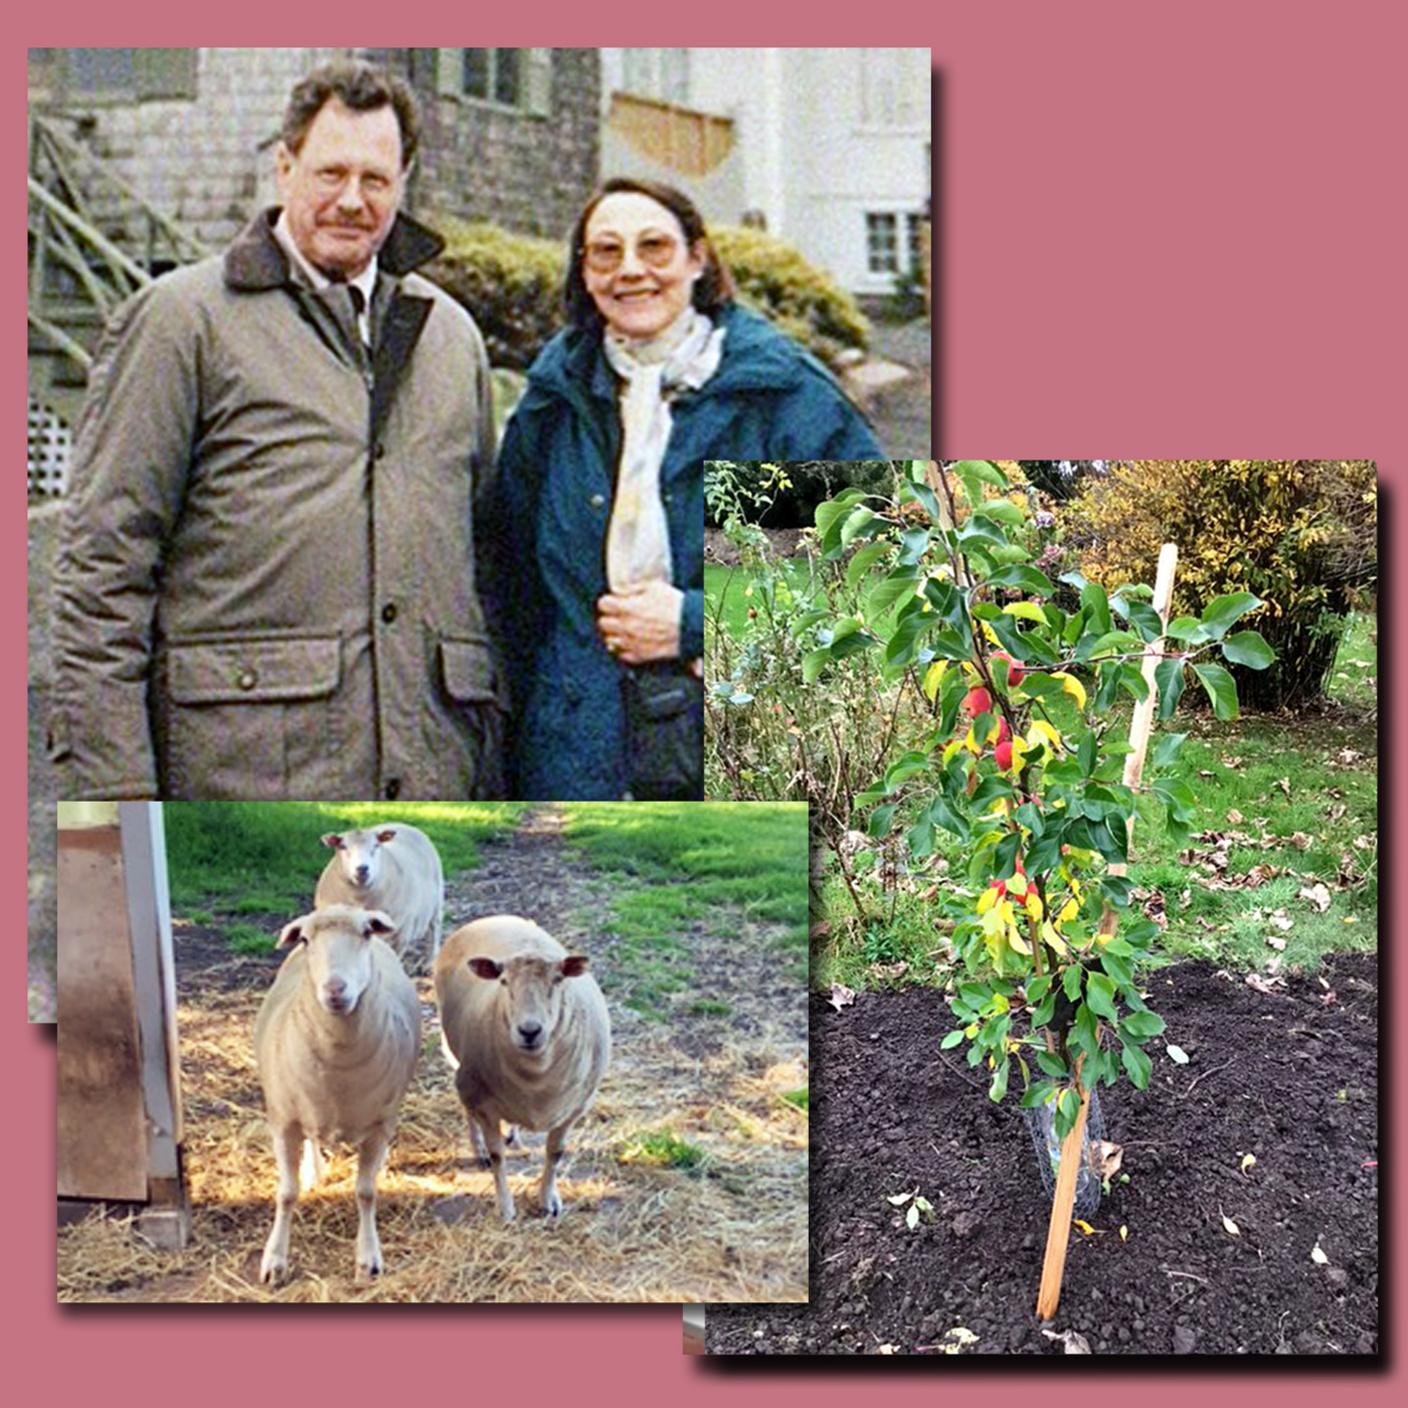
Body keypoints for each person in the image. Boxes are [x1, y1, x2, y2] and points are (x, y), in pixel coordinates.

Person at [49, 61, 506, 801]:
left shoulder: (454, 339)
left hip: (441, 788)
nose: (352, 200)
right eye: (330, 173)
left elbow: (489, 570)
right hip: (242, 783)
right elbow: (103, 571)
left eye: (376, 179)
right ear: (283, 166)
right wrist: (112, 829)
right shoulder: (181, 322)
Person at [495, 177, 883, 800]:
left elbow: (862, 580)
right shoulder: (556, 400)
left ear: (697, 259)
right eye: (605, 252)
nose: (630, 271)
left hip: (736, 746)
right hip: (573, 753)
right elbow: (511, 584)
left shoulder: (772, 396)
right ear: (583, 272)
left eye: (654, 247)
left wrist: (694, 622)